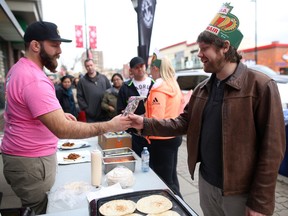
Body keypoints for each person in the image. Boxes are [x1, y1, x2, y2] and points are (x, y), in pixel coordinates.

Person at [129, 3, 286, 216]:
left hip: (240, 193)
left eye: (204, 49)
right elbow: (183, 122)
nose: (199, 54)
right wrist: (145, 124)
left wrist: (260, 202)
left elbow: (272, 149)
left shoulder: (260, 85)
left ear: (225, 47)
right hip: (206, 184)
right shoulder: (203, 88)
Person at [1, 21, 130, 215]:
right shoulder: (33, 78)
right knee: (44, 211)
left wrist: (57, 114)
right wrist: (110, 126)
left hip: (25, 158)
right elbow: (63, 129)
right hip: (31, 162)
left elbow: (25, 110)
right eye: (54, 45)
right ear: (36, 46)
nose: (59, 50)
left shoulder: (19, 69)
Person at [146, 51, 183, 197]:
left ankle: (178, 208)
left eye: (150, 69)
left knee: (165, 181)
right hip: (173, 135)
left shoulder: (158, 90)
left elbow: (157, 119)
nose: (150, 72)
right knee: (172, 177)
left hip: (160, 140)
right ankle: (181, 205)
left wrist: (141, 123)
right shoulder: (172, 85)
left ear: (155, 68)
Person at [117, 56, 154, 157]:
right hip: (135, 133)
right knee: (137, 159)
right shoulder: (125, 87)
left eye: (142, 66)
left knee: (154, 163)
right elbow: (119, 109)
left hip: (153, 130)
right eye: (136, 67)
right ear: (131, 70)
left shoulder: (154, 84)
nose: (140, 69)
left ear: (145, 66)